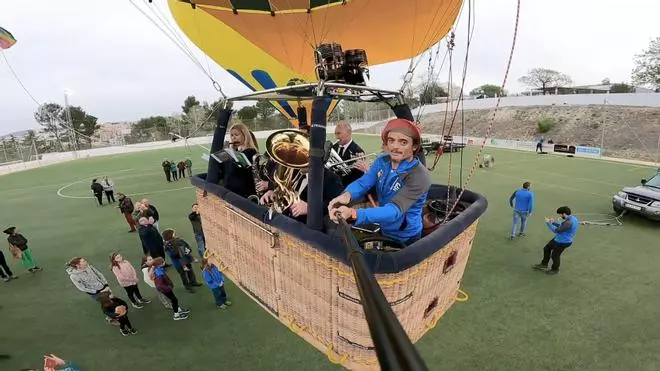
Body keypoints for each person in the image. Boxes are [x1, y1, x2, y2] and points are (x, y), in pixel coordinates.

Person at [328, 118, 432, 245]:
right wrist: (347, 195)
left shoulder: (419, 176)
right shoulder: (382, 161)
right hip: (385, 226)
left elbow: (394, 211)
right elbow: (363, 183)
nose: (395, 146)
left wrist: (354, 213)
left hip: (406, 235)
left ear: (414, 146)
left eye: (403, 142)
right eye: (391, 140)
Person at [533, 206, 578, 275]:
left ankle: (555, 269)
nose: (559, 216)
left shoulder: (569, 222)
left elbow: (557, 230)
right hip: (558, 239)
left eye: (560, 214)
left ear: (564, 214)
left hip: (563, 242)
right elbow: (561, 225)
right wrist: (553, 222)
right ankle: (544, 264)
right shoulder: (572, 218)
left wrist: (548, 223)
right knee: (546, 248)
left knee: (555, 256)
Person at [220, 123, 258, 198]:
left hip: (243, 191)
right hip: (231, 189)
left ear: (245, 135)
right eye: (232, 135)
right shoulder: (235, 151)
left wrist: (229, 154)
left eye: (236, 135)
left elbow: (238, 169)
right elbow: (225, 170)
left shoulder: (251, 151)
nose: (233, 138)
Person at [331, 121, 367, 187]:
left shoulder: (358, 151)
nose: (336, 137)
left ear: (348, 133)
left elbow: (357, 177)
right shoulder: (334, 147)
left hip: (348, 188)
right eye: (335, 134)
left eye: (338, 133)